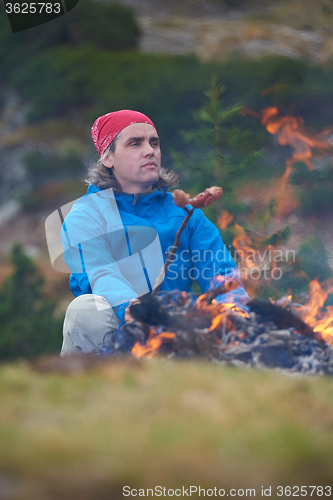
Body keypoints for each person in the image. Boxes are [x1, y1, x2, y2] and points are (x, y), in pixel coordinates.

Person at [60, 110, 248, 356]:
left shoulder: (186, 214)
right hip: (118, 332)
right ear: (108, 157)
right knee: (84, 309)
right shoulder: (86, 215)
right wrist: (133, 309)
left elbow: (220, 272)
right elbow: (100, 273)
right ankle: (89, 386)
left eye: (154, 143)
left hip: (179, 330)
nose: (150, 151)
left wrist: (232, 310)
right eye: (135, 143)